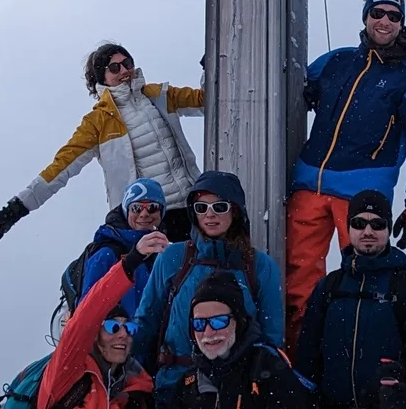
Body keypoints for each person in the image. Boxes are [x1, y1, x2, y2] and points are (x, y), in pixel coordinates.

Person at [286, 0, 406, 350]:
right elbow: (286, 84)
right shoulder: (337, 61)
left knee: (363, 282)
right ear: (366, 17)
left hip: (363, 193)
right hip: (310, 184)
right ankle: (299, 362)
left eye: (394, 16)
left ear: (402, 23)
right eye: (378, 13)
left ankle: (356, 365)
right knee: (297, 281)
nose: (385, 21)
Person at [0, 43, 204, 247]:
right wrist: (13, 210)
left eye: (127, 63)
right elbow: (60, 169)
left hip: (193, 208)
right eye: (114, 68)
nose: (124, 71)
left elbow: (209, 100)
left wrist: (213, 63)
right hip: (148, 220)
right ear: (101, 78)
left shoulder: (160, 96)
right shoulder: (98, 122)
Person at [132, 171, 284, 408]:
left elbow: (271, 337)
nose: (210, 214)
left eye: (219, 206)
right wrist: (128, 376)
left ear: (235, 210)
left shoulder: (259, 266)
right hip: (173, 386)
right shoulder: (173, 258)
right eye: (201, 207)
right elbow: (146, 322)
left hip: (238, 391)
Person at [295, 189, 406, 409]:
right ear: (348, 227)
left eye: (377, 224)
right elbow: (307, 356)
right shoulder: (329, 287)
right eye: (358, 223)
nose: (367, 231)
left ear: (389, 229)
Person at [37, 232, 165, 409]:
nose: (123, 334)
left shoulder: (139, 388)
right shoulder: (69, 370)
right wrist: (130, 263)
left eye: (129, 328)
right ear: (95, 333)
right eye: (113, 327)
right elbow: (89, 313)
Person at [173, 270, 313, 409]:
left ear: (239, 321)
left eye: (219, 321)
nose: (208, 332)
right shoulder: (188, 383)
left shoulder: (268, 372)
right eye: (199, 323)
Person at [75, 178, 169, 316]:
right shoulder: (106, 255)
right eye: (136, 208)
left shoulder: (166, 252)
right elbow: (86, 312)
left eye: (152, 207)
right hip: (121, 335)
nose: (144, 214)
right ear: (126, 212)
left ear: (161, 212)